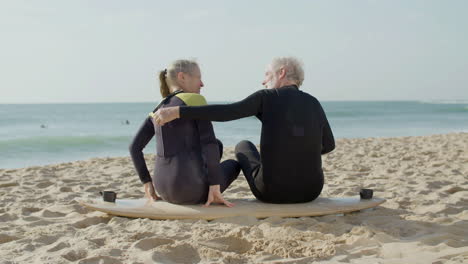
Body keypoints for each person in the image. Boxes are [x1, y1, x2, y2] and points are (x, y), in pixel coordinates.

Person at [153, 57, 335, 204]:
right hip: (311, 191)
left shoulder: (267, 97)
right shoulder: (314, 103)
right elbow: (328, 145)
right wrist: (298, 151)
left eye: (267, 75)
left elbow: (227, 112)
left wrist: (178, 112)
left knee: (243, 146)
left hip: (272, 192)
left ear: (282, 73)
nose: (264, 81)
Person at [129, 59, 240, 207]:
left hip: (163, 189)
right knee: (233, 164)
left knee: (218, 145)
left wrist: (147, 182)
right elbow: (209, 143)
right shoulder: (195, 100)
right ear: (182, 77)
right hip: (192, 191)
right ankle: (211, 188)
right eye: (198, 78)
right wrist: (214, 185)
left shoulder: (159, 107)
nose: (202, 84)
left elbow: (134, 147)